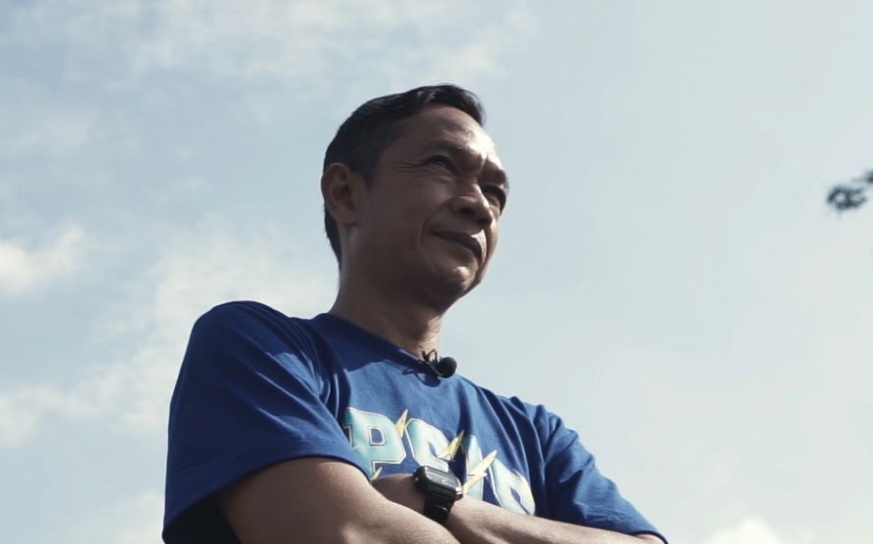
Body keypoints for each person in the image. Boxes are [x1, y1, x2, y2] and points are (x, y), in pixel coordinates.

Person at [162, 84, 667, 544]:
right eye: (442, 165)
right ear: (345, 194)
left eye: (496, 193)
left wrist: (441, 503)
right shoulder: (258, 349)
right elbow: (348, 534)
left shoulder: (536, 435)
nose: (480, 206)